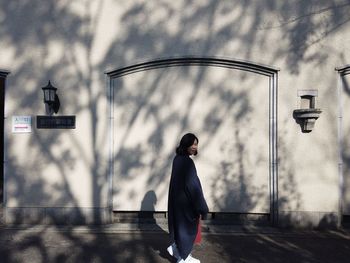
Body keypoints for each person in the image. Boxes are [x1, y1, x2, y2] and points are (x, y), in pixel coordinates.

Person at [167, 133, 209, 263]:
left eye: (196, 144)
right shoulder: (187, 162)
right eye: (193, 144)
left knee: (181, 229)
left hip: (177, 202)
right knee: (188, 230)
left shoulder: (177, 159)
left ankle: (179, 252)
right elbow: (193, 186)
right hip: (186, 203)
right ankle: (183, 258)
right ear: (186, 144)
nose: (195, 147)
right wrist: (202, 207)